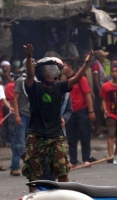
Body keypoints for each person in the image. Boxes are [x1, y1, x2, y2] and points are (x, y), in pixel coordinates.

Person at [22, 44, 95, 189]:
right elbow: (30, 75)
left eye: (53, 70)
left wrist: (86, 64)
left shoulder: (59, 87)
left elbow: (76, 79)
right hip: (36, 136)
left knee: (62, 170)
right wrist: (29, 57)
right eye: (47, 71)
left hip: (55, 136)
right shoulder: (34, 88)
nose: (50, 74)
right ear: (40, 73)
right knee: (34, 173)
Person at [64, 59, 95, 168]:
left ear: (70, 66)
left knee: (84, 135)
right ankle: (73, 160)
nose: (63, 69)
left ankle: (86, 158)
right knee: (71, 137)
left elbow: (87, 94)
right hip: (69, 112)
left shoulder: (80, 78)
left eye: (64, 66)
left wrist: (91, 111)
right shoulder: (63, 80)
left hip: (81, 110)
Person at [11, 58, 34, 176]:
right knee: (20, 142)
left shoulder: (38, 80)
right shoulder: (20, 81)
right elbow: (15, 98)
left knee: (32, 143)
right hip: (23, 114)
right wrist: (17, 114)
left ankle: (30, 166)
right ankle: (15, 166)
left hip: (33, 116)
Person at [91, 50, 109, 137]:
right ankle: (96, 131)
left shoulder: (99, 64)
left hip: (102, 91)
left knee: (101, 111)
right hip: (99, 92)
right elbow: (95, 78)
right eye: (103, 56)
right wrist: (99, 90)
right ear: (100, 57)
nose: (104, 58)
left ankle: (97, 130)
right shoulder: (96, 64)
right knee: (98, 111)